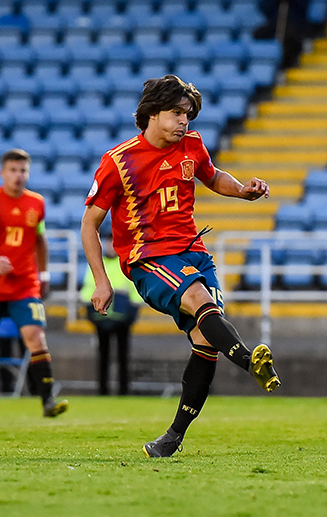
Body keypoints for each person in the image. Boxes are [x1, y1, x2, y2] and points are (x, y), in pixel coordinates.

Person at [81, 75, 280, 458]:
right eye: (176, 113)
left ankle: (172, 437)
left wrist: (241, 190)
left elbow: (212, 175)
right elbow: (89, 224)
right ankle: (246, 359)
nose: (183, 121)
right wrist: (102, 282)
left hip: (193, 252)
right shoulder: (118, 162)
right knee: (197, 297)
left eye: (187, 114)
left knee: (206, 341)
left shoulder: (192, 145)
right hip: (149, 257)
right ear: (152, 114)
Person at [0, 148, 68, 418]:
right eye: (13, 170)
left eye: (23, 171)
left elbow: (40, 240)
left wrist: (43, 275)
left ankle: (47, 401)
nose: (18, 176)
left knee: (36, 337)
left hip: (25, 284)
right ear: (2, 172)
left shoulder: (37, 203)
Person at [80, 233, 143, 396]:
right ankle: (103, 391)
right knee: (103, 356)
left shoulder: (125, 263)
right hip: (102, 316)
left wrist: (132, 312)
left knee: (123, 356)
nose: (110, 247)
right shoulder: (97, 264)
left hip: (122, 317)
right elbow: (88, 288)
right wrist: (90, 311)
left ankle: (123, 391)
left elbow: (134, 289)